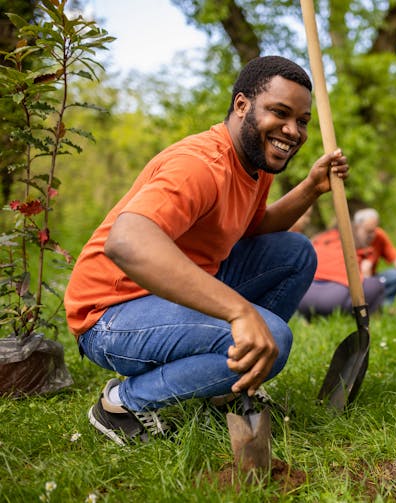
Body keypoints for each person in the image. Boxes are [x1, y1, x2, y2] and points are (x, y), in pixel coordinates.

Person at [64, 55, 350, 446]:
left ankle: (227, 387)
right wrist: (239, 311)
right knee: (274, 340)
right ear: (242, 106)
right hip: (111, 315)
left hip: (173, 291)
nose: (293, 131)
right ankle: (122, 404)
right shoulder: (199, 165)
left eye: (301, 120)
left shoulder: (254, 162)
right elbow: (125, 241)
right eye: (280, 113)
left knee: (296, 252)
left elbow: (253, 231)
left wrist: (310, 188)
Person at [297, 207, 396, 318]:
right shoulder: (350, 243)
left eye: (374, 230)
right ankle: (374, 310)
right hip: (335, 295)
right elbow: (361, 279)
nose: (372, 235)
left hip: (302, 297)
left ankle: (381, 304)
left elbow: (395, 257)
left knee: (394, 276)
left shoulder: (323, 238)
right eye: (368, 231)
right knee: (375, 284)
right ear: (356, 226)